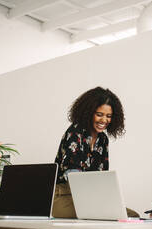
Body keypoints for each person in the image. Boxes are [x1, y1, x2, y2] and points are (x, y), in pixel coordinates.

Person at [53, 86, 126, 218]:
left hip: (89, 198)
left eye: (108, 116)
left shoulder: (103, 139)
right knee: (109, 216)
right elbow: (73, 177)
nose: (104, 120)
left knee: (129, 215)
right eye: (99, 114)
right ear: (88, 112)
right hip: (63, 196)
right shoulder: (75, 132)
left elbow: (102, 178)